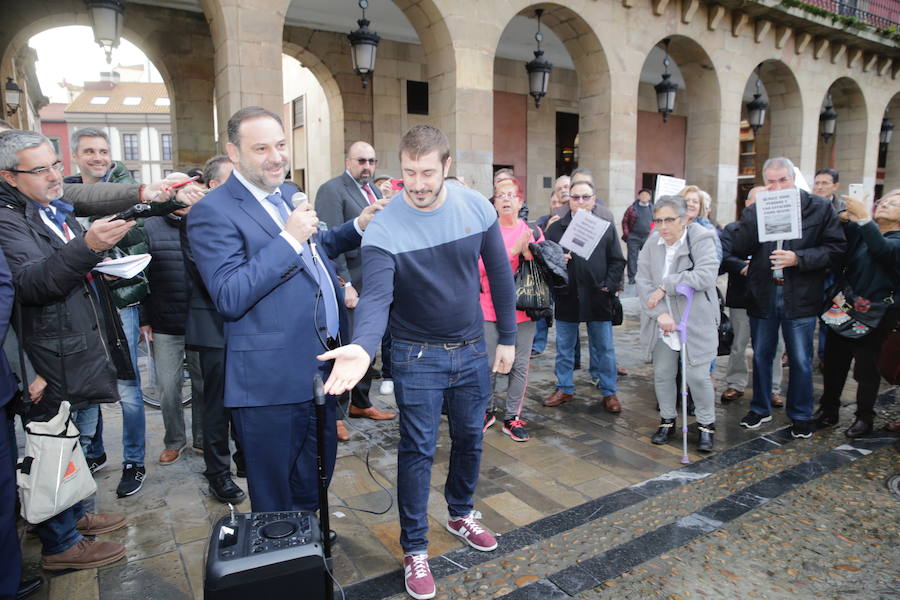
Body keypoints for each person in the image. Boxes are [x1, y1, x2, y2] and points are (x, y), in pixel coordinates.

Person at [319, 125, 516, 600]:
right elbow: (376, 297)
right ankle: (415, 548)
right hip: (415, 354)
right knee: (418, 449)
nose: (418, 183)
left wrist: (507, 336)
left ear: (446, 167)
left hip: (471, 349)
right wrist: (364, 347)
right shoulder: (385, 224)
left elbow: (499, 272)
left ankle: (461, 511)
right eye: (409, 172)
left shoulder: (476, 207)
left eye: (427, 172)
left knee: (470, 438)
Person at [187, 107, 382, 517]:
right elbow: (229, 293)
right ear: (234, 152)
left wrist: (357, 226)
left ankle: (309, 547)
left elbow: (316, 248)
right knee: (276, 494)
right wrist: (289, 238)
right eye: (261, 148)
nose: (276, 156)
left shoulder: (286, 192)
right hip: (268, 385)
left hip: (317, 371)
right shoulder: (213, 211)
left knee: (316, 476)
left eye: (280, 145)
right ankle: (282, 559)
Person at [0, 129, 129, 570]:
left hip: (63, 344)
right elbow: (33, 284)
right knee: (49, 441)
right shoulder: (7, 218)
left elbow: (63, 263)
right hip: (43, 352)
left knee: (68, 437)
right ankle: (60, 544)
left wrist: (97, 262)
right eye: (41, 170)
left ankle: (73, 514)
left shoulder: (47, 207)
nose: (56, 176)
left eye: (56, 164)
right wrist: (89, 246)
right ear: (10, 177)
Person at [731, 157, 846, 438]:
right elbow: (740, 245)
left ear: (794, 178)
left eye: (783, 180)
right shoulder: (758, 208)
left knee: (800, 358)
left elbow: (836, 249)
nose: (777, 186)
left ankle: (800, 414)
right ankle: (760, 408)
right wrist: (755, 215)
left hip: (801, 294)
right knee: (761, 355)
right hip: (764, 292)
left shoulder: (818, 207)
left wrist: (799, 258)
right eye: (771, 181)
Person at [65, 127, 149, 497]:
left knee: (128, 388)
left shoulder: (122, 191)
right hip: (78, 307)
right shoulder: (63, 197)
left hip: (119, 303)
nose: (97, 157)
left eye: (102, 151)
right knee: (87, 386)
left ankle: (134, 461)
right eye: (89, 151)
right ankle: (93, 452)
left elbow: (140, 241)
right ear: (76, 156)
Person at [314, 141, 396, 437]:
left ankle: (360, 403)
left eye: (372, 161)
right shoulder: (332, 190)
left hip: (374, 281)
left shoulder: (372, 191)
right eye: (361, 161)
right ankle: (335, 414)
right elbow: (330, 241)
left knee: (366, 346)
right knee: (345, 347)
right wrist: (344, 283)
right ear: (348, 161)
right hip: (349, 283)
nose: (368, 167)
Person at [181, 155, 246, 503]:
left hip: (245, 325)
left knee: (246, 399)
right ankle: (218, 474)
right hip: (213, 325)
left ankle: (246, 459)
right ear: (213, 186)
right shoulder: (199, 221)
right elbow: (217, 280)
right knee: (217, 406)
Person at [814, 190, 900, 437]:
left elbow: (883, 250)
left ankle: (864, 417)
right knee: (833, 363)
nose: (885, 205)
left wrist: (863, 219)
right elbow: (845, 241)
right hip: (845, 306)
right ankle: (828, 410)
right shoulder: (865, 232)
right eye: (883, 202)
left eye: (893, 204)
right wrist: (845, 218)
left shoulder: (893, 239)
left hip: (877, 315)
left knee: (865, 369)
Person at [637, 195, 720, 451]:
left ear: (684, 219)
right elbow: (642, 282)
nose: (663, 227)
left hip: (695, 319)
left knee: (697, 376)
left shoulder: (702, 237)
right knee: (663, 374)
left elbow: (706, 275)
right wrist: (660, 314)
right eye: (658, 220)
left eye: (669, 220)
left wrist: (667, 284)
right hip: (662, 322)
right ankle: (667, 420)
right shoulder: (652, 243)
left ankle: (706, 425)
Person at [542, 180, 626, 413]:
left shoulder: (605, 226)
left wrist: (608, 287)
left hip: (598, 295)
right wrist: (558, 260)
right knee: (564, 347)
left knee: (604, 348)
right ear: (568, 199)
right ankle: (564, 388)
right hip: (567, 295)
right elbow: (544, 262)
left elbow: (618, 261)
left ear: (593, 199)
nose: (580, 201)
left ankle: (609, 391)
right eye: (575, 197)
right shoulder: (556, 228)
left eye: (585, 197)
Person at [142, 176, 206, 467]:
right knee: (168, 388)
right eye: (178, 191)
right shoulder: (150, 224)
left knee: (203, 385)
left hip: (200, 322)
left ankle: (204, 438)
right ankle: (174, 441)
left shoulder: (205, 222)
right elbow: (139, 276)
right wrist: (145, 318)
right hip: (165, 323)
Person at [481, 177, 544, 442]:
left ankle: (512, 416)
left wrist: (536, 255)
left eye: (511, 194)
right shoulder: (486, 231)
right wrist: (511, 252)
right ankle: (486, 411)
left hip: (524, 309)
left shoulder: (533, 232)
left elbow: (542, 270)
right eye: (500, 194)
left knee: (520, 365)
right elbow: (478, 269)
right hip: (489, 309)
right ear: (494, 202)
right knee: (488, 364)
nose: (505, 199)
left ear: (520, 201)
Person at [720, 186, 786, 408]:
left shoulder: (780, 231)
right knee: (739, 343)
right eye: (756, 201)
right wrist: (745, 267)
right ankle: (736, 383)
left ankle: (772, 388)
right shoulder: (733, 229)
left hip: (770, 297)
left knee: (773, 345)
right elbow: (725, 255)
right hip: (742, 295)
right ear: (747, 204)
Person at [622, 188, 654, 285]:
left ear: (650, 197)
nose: (644, 197)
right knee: (632, 258)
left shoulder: (653, 208)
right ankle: (632, 278)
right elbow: (625, 222)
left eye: (646, 195)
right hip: (634, 237)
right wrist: (628, 234)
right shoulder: (632, 208)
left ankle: (646, 277)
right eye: (642, 195)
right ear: (638, 196)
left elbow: (656, 222)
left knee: (647, 258)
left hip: (647, 237)